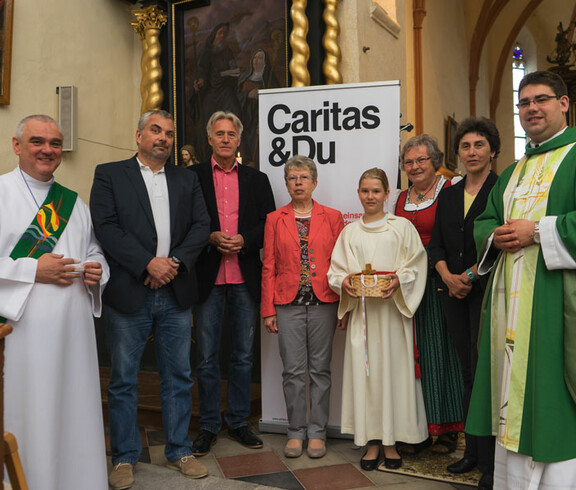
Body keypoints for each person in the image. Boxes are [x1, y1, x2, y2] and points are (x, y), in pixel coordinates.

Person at [90, 110, 210, 489]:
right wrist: (147, 264)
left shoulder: (185, 178)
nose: (164, 138)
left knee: (178, 375)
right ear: (138, 135)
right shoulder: (109, 174)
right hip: (129, 291)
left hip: (175, 292)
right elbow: (106, 227)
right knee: (124, 379)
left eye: (170, 134)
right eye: (156, 131)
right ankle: (124, 456)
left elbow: (201, 227)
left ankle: (179, 449)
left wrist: (172, 263)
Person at [468, 71, 576, 489]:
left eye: (541, 100)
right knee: (509, 406)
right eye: (524, 101)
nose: (531, 108)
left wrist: (540, 232)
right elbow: (485, 222)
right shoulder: (511, 172)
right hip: (508, 312)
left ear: (563, 104)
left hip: (555, 308)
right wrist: (495, 235)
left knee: (552, 401)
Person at [0, 114, 109, 490]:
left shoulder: (73, 203)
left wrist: (98, 269)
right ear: (17, 146)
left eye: (55, 143)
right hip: (24, 334)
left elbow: (93, 248)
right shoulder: (1, 193)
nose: (47, 150)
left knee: (72, 410)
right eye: (37, 141)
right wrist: (34, 270)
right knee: (32, 411)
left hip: (74, 332)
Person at [327, 168, 428, 471]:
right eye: (364, 191)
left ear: (387, 194)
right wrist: (344, 283)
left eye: (376, 191)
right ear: (358, 193)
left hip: (393, 315)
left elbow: (417, 264)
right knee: (366, 376)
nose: (370, 197)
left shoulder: (402, 228)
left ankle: (391, 441)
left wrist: (400, 280)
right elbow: (336, 270)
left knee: (392, 375)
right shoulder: (350, 232)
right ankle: (371, 441)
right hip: (364, 317)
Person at [189, 111, 275, 456]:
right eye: (219, 134)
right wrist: (209, 236)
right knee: (207, 357)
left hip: (244, 277)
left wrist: (245, 240)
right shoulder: (191, 177)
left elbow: (268, 223)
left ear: (239, 140)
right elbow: (185, 222)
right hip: (208, 276)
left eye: (231, 134)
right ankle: (209, 425)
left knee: (242, 356)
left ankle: (238, 421)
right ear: (209, 139)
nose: (225, 139)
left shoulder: (257, 179)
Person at [429, 117, 499, 486]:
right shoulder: (449, 193)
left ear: (492, 151)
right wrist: (446, 275)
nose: (472, 152)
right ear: (458, 153)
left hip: (485, 293)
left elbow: (498, 244)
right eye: (466, 146)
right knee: (467, 373)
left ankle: (490, 462)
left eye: (479, 145)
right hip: (451, 292)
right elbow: (436, 242)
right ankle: (470, 452)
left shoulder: (502, 188)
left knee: (485, 374)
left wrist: (470, 276)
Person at [261, 155, 344, 459]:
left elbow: (341, 263)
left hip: (324, 302)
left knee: (320, 370)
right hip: (287, 303)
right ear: (286, 184)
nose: (298, 182)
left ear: (314, 182)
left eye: (303, 177)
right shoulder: (275, 218)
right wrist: (267, 309)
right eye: (292, 178)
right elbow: (268, 265)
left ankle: (318, 433)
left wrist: (344, 307)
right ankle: (296, 432)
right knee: (293, 372)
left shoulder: (332, 217)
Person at [394, 134, 464, 454]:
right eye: (409, 162)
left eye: (421, 159)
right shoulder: (398, 198)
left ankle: (449, 428)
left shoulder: (450, 191)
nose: (415, 166)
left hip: (439, 283)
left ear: (435, 161)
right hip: (407, 288)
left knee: (443, 354)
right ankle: (417, 427)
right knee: (413, 356)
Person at [193, 22, 242, 161]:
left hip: (226, 90)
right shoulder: (207, 52)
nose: (222, 36)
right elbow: (200, 70)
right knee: (206, 121)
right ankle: (204, 155)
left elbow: (234, 69)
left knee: (235, 112)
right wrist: (199, 81)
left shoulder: (228, 52)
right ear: (214, 34)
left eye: (225, 34)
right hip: (211, 92)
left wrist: (229, 73)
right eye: (220, 33)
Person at [238, 48, 279, 167]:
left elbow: (275, 101)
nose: (256, 61)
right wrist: (248, 95)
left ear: (265, 62)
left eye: (260, 58)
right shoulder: (244, 79)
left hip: (260, 121)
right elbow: (236, 99)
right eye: (254, 58)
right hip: (246, 119)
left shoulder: (270, 79)